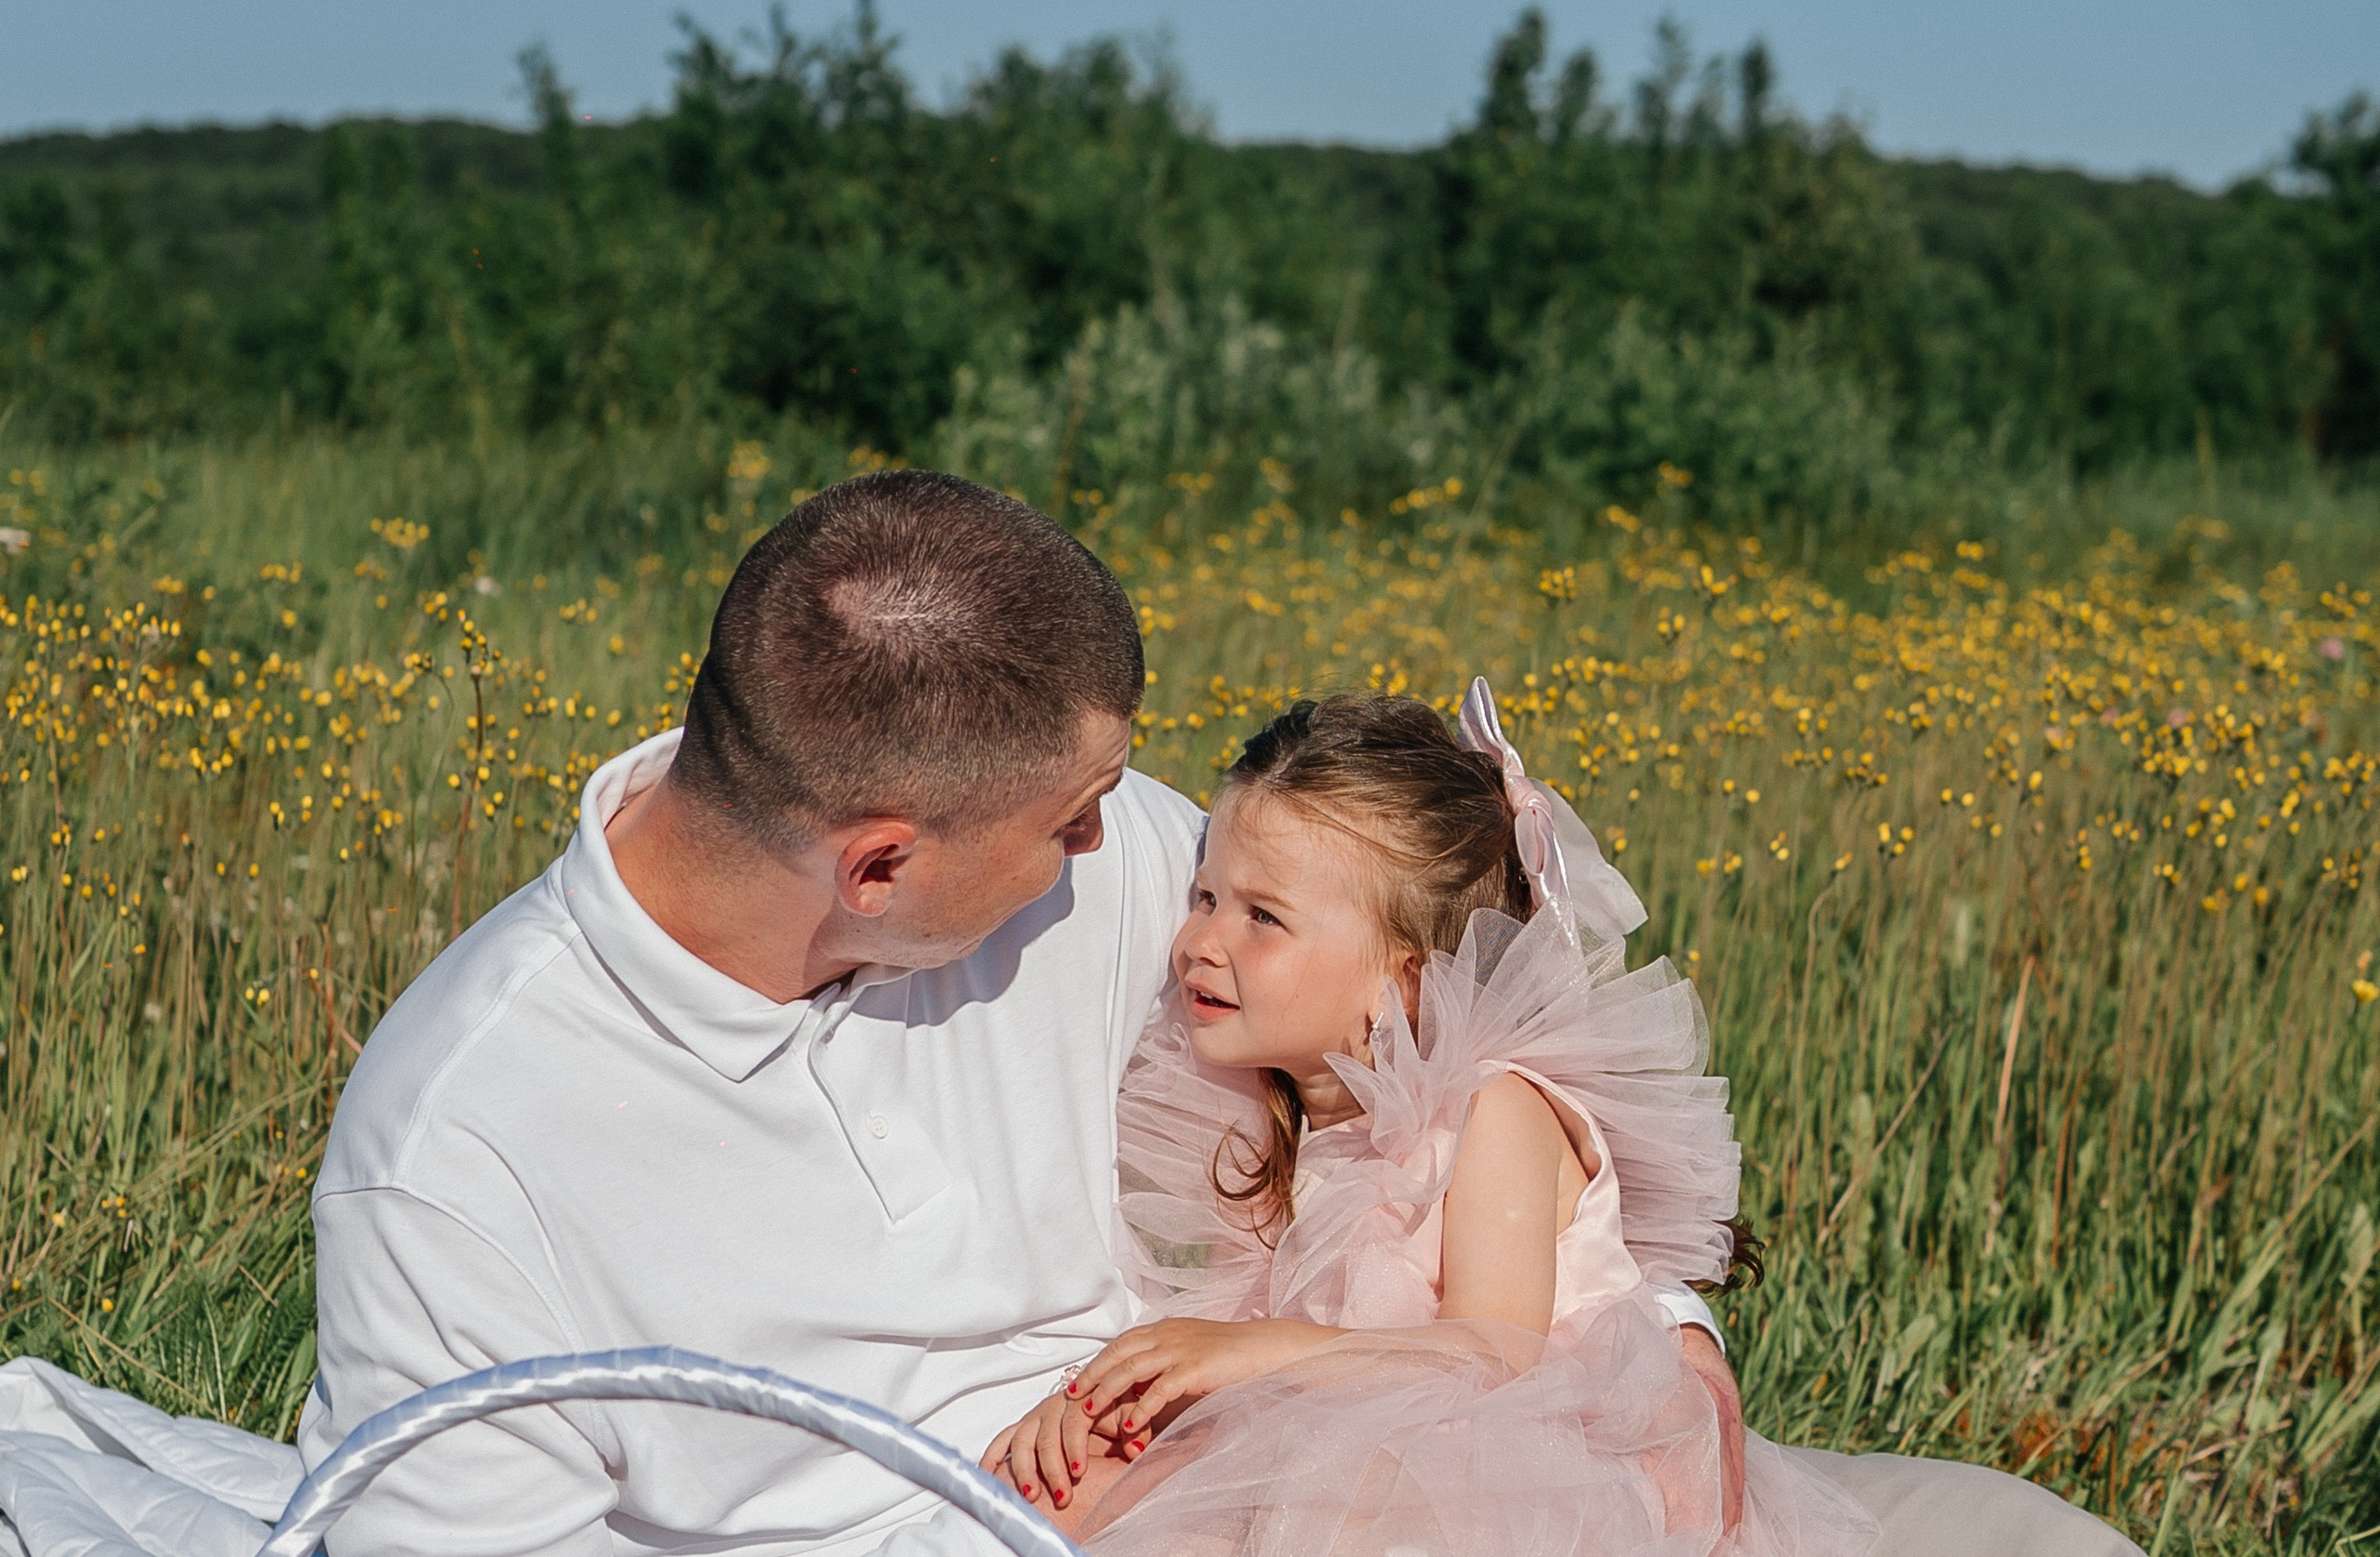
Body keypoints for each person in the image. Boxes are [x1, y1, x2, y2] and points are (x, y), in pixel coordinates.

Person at [297, 468, 2140, 1556]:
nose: (1131, 853)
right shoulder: (465, 1151)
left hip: (1292, 1476)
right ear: (876, 861)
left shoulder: (1095, 874)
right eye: (1078, 821)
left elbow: (1431, 1025)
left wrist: (1611, 1341)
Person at [974, 687, 1874, 1555]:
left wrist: (1245, 1354)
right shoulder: (1264, 1118)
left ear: (1399, 982)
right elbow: (1232, 1343)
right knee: (1086, 1493)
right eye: (1206, 898)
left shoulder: (1495, 1109)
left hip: (1551, 1452)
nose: (1198, 944)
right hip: (1347, 1417)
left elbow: (1494, 1354)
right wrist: (1122, 1394)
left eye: (1263, 918)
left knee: (1367, 1508)